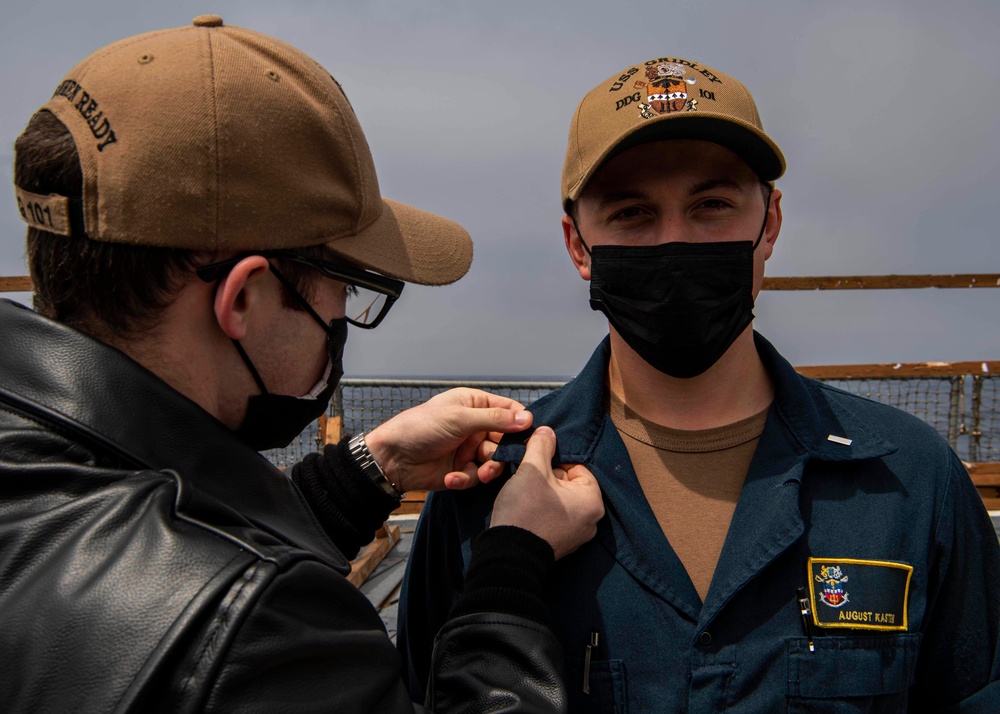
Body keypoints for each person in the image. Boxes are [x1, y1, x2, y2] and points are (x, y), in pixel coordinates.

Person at [0, 16, 605, 713]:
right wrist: (510, 565)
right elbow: (212, 599)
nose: (342, 319)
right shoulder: (267, 633)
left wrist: (366, 472)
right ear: (246, 299)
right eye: (342, 287)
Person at [399, 55, 1000, 711]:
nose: (676, 242)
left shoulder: (910, 479)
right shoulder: (487, 490)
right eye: (631, 213)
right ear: (578, 246)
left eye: (712, 204)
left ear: (769, 223)